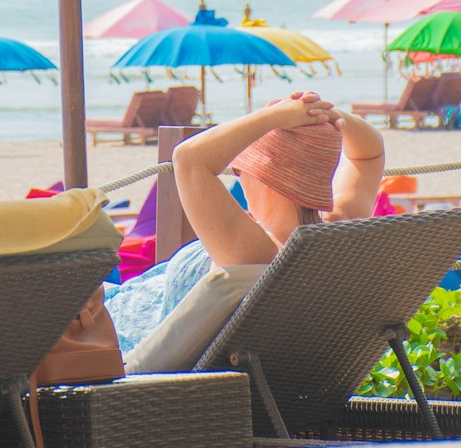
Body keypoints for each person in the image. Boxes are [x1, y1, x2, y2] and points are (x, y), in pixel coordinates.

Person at [104, 91, 385, 355]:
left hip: (121, 327)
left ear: (264, 178)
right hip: (131, 298)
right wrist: (324, 113)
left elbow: (188, 158)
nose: (238, 177)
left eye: (240, 170)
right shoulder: (337, 230)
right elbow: (370, 154)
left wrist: (275, 116)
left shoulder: (254, 253)